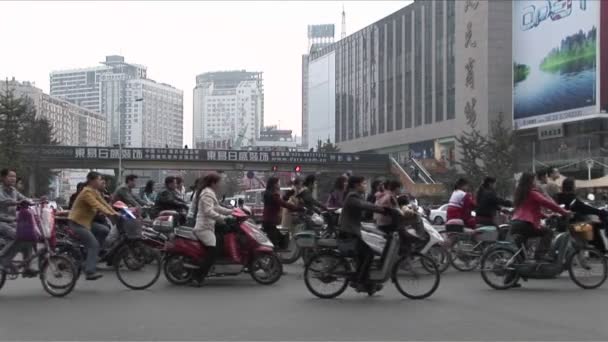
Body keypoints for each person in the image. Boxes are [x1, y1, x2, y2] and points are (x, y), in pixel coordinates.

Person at [340, 176, 392, 290]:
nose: (365, 186)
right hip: (349, 231)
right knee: (368, 253)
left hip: (353, 230)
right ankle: (359, 281)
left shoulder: (356, 195)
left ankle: (367, 284)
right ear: (356, 185)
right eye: (363, 184)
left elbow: (365, 206)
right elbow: (365, 205)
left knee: (363, 255)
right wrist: (383, 210)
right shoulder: (352, 196)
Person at [68, 171, 119, 280]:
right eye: (99, 179)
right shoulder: (86, 192)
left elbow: (104, 203)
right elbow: (97, 205)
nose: (101, 181)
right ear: (92, 181)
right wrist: (111, 214)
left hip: (87, 222)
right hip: (77, 223)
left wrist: (115, 213)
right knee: (93, 245)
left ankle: (91, 256)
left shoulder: (94, 191)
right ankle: (89, 271)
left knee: (104, 230)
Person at [511, 172, 569, 263]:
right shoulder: (532, 193)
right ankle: (540, 254)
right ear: (531, 181)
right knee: (547, 232)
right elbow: (547, 203)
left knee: (521, 257)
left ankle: (518, 271)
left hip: (515, 224)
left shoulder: (520, 193)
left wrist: (546, 215)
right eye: (535, 180)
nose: (536, 182)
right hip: (525, 224)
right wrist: (564, 212)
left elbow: (530, 210)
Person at [191, 173, 233, 286]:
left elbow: (217, 207)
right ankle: (197, 278)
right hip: (203, 228)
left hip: (208, 226)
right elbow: (208, 211)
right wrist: (223, 218)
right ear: (213, 183)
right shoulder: (207, 193)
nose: (221, 184)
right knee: (213, 252)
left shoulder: (209, 192)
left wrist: (232, 211)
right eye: (219, 182)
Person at [262, 177, 303, 249]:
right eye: (278, 183)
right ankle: (272, 259)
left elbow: (280, 201)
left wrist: (287, 195)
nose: (279, 185)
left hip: (268, 221)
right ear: (274, 185)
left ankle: (274, 258)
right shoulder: (273, 194)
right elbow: (283, 204)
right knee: (274, 245)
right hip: (270, 222)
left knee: (278, 241)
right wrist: (298, 208)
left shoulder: (270, 193)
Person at [0, 169, 30, 240]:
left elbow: (25, 198)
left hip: (12, 222)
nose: (13, 178)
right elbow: (4, 201)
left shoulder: (14, 191)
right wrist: (18, 202)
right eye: (10, 176)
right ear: (2, 177)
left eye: (14, 176)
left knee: (29, 232)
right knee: (16, 235)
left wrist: (38, 201)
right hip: (1, 222)